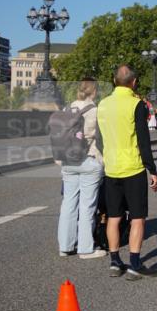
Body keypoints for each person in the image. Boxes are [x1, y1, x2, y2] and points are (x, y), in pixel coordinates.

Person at [96, 65, 157, 280]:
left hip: (111, 168)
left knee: (113, 217)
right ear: (134, 82)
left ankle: (115, 261)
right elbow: (144, 141)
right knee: (137, 218)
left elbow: (99, 138)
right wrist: (152, 169)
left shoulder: (103, 104)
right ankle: (134, 263)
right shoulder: (137, 105)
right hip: (132, 168)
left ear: (114, 81)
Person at [57, 78, 106, 259]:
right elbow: (102, 139)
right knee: (87, 206)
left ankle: (65, 246)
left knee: (68, 204)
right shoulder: (96, 111)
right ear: (94, 92)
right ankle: (85, 248)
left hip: (68, 161)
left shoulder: (67, 109)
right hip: (89, 160)